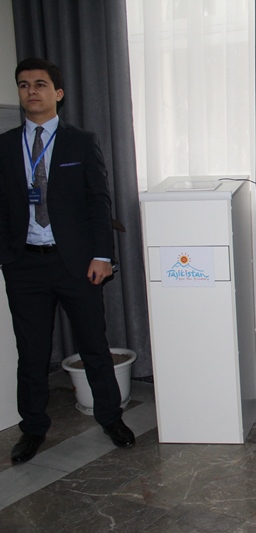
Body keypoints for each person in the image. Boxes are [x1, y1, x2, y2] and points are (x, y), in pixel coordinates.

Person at [0, 58, 135, 464]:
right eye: (24, 85)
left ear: (58, 93)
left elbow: (98, 201)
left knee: (94, 344)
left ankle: (111, 417)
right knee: (32, 352)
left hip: (76, 263)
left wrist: (102, 255)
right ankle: (32, 428)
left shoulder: (81, 141)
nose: (31, 91)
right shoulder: (5, 145)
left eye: (40, 84)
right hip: (25, 265)